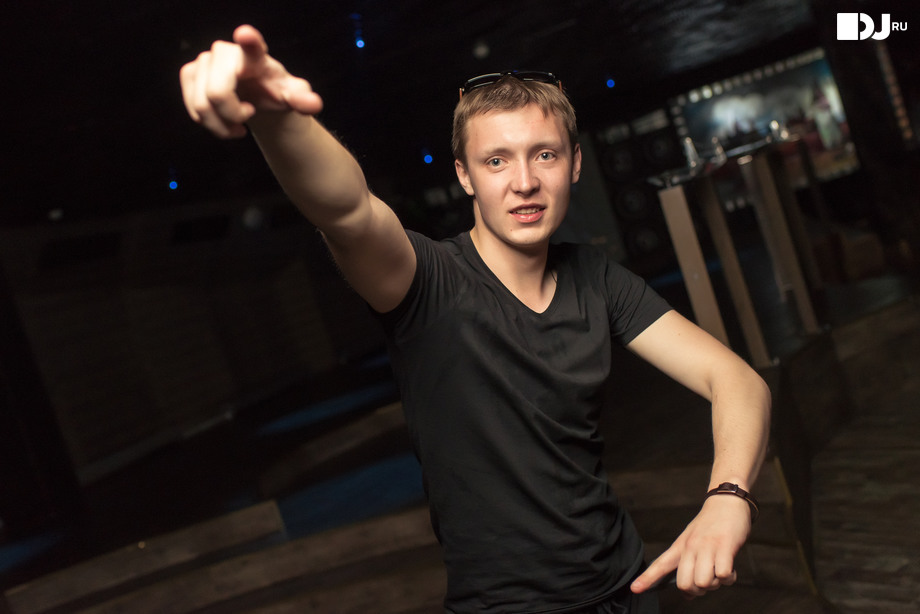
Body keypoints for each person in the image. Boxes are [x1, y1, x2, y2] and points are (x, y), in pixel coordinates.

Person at [180, 25, 771, 614]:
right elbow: (348, 211)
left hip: (628, 590)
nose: (524, 183)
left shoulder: (598, 278)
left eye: (545, 154)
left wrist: (728, 496)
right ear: (464, 175)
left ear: (574, 164)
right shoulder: (426, 280)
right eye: (496, 161)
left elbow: (737, 381)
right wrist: (277, 117)